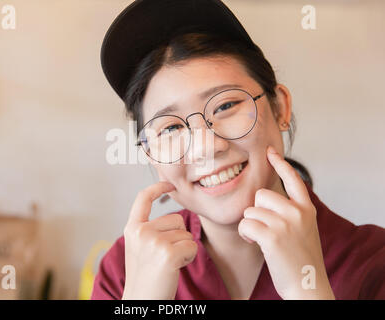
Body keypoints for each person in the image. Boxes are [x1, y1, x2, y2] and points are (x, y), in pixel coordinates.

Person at [91, 0, 385, 300]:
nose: (206, 147)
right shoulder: (124, 272)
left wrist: (305, 290)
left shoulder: (373, 263)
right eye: (171, 128)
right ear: (150, 153)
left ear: (280, 107)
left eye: (226, 106)